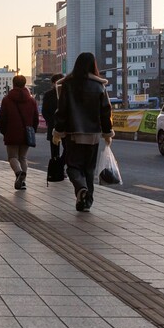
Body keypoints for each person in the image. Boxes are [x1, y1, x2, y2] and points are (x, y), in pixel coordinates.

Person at [52, 53, 113, 212]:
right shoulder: (99, 85)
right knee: (89, 169)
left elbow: (62, 110)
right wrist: (107, 133)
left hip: (73, 134)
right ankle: (86, 201)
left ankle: (81, 189)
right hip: (93, 134)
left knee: (73, 166)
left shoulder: (68, 84)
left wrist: (58, 131)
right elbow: (105, 111)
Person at [0, 75, 39, 190]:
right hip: (27, 132)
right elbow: (35, 118)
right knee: (23, 158)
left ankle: (18, 173)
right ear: (25, 84)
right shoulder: (31, 100)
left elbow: (3, 117)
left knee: (12, 157)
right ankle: (23, 182)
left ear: (13, 84)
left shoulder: (7, 100)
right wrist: (32, 130)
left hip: (11, 132)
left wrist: (3, 131)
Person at [42, 73, 65, 159]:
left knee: (67, 148)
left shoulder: (67, 93)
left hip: (66, 126)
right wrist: (50, 121)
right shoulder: (48, 95)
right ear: (53, 83)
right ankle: (56, 167)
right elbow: (44, 111)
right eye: (57, 82)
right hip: (53, 126)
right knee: (54, 150)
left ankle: (61, 164)